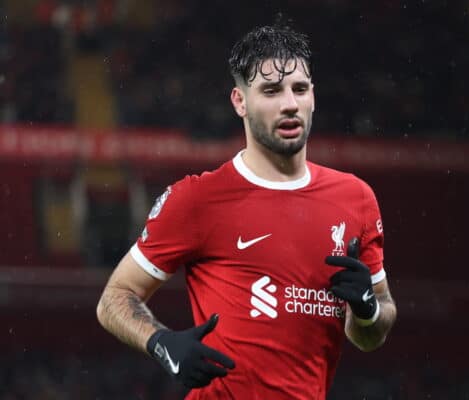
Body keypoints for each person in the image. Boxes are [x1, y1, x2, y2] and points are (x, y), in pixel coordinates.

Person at [96, 24, 397, 399]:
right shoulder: (197, 199)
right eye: (270, 91)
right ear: (240, 101)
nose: (289, 103)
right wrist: (160, 342)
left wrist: (368, 310)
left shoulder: (356, 199)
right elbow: (114, 297)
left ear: (313, 97)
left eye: (299, 89)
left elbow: (370, 335)